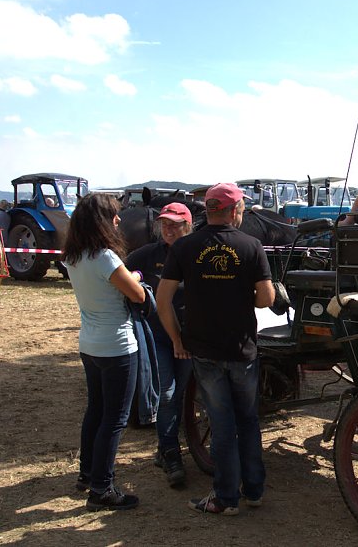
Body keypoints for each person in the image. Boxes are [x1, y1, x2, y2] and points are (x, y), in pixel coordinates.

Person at [157, 183, 274, 516]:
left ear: (208, 210)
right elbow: (266, 298)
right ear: (235, 210)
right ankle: (253, 491)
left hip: (204, 351)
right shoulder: (251, 245)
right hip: (242, 350)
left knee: (221, 424)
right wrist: (242, 298)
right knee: (248, 421)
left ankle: (226, 497)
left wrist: (177, 339)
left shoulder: (184, 247)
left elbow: (162, 300)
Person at [62, 193, 146, 511]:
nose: (119, 220)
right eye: (114, 215)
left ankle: (87, 474)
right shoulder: (106, 258)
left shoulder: (74, 256)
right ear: (102, 220)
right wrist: (136, 276)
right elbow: (137, 295)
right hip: (118, 346)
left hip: (90, 343)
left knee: (95, 411)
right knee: (115, 419)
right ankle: (102, 488)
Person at [125, 202, 194, 487]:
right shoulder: (147, 255)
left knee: (183, 396)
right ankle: (171, 453)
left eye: (175, 224)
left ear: (188, 226)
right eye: (165, 224)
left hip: (189, 338)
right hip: (158, 339)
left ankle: (164, 448)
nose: (168, 229)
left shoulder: (197, 254)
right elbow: (119, 277)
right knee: (166, 394)